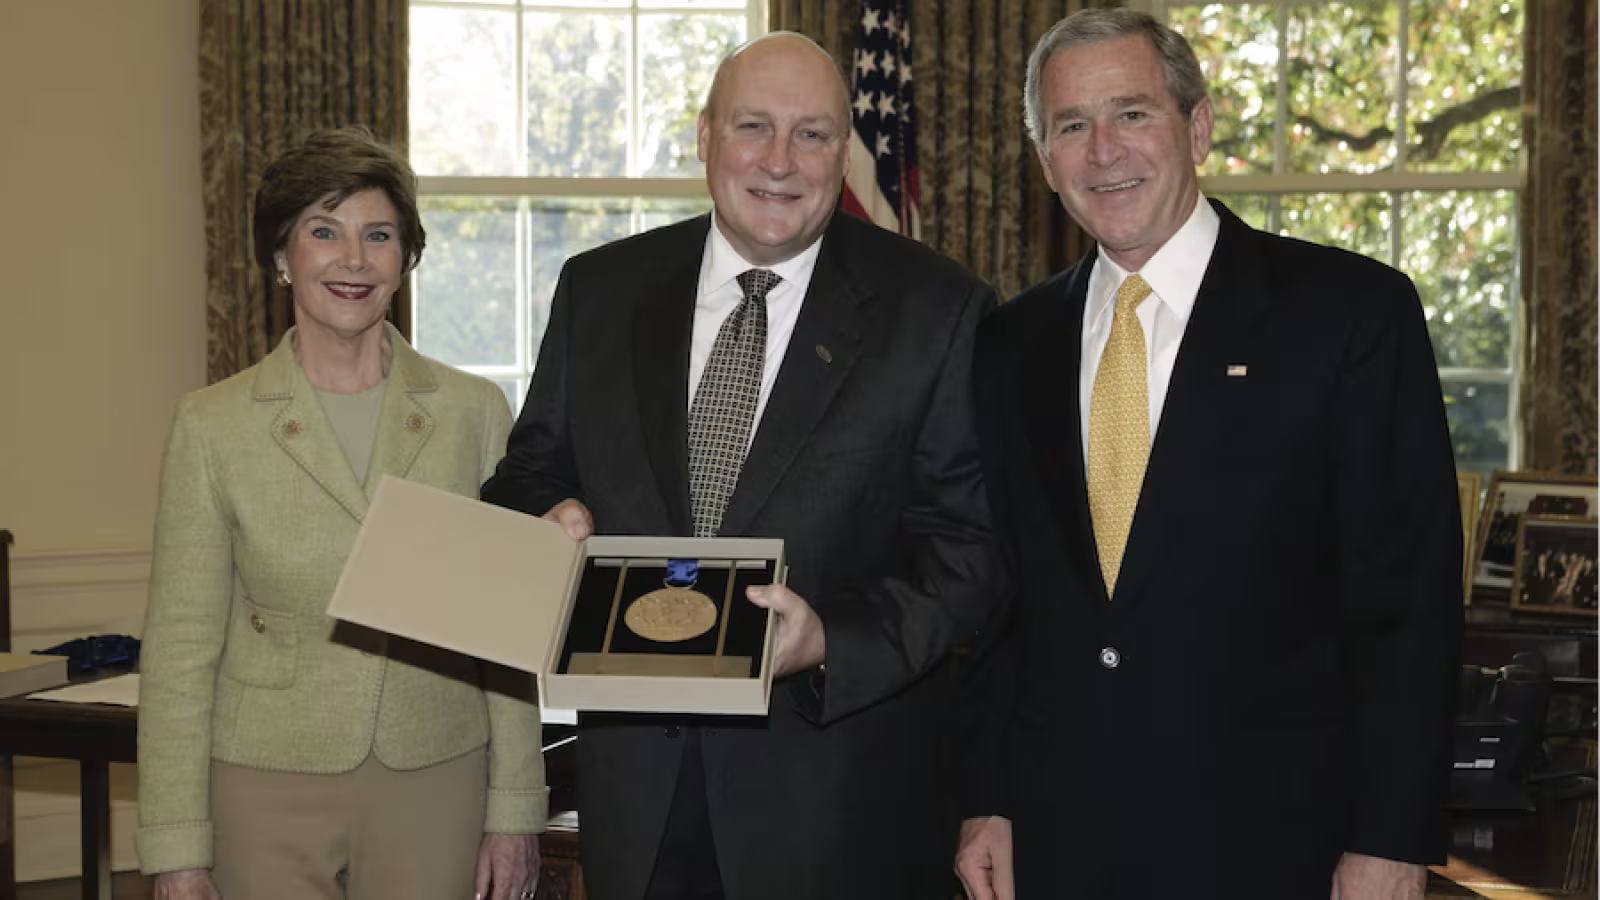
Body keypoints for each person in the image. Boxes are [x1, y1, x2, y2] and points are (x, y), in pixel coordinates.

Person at [954, 10, 1462, 900]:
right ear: (1044, 162)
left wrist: (1391, 836)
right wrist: (987, 797)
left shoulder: (1348, 315)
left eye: (1133, 113)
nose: (1104, 150)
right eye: (1071, 126)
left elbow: (1407, 602)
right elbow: (1006, 608)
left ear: (1197, 126)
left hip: (1282, 845)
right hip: (1059, 838)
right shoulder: (1009, 343)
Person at [481, 32, 1001, 900]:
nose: (780, 161)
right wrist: (549, 517)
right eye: (753, 126)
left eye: (813, 134)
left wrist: (832, 639)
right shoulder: (600, 291)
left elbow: (971, 551)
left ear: (843, 151)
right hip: (636, 802)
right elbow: (528, 473)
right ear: (703, 137)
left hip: (836, 808)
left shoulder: (939, 312)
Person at [137, 126, 547, 900]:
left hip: (439, 773)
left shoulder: (474, 412)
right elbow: (180, 655)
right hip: (262, 782)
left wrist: (515, 810)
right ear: (281, 257)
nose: (353, 259)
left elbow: (508, 639)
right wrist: (175, 850)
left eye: (379, 235)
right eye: (323, 232)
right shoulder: (211, 425)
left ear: (406, 259)